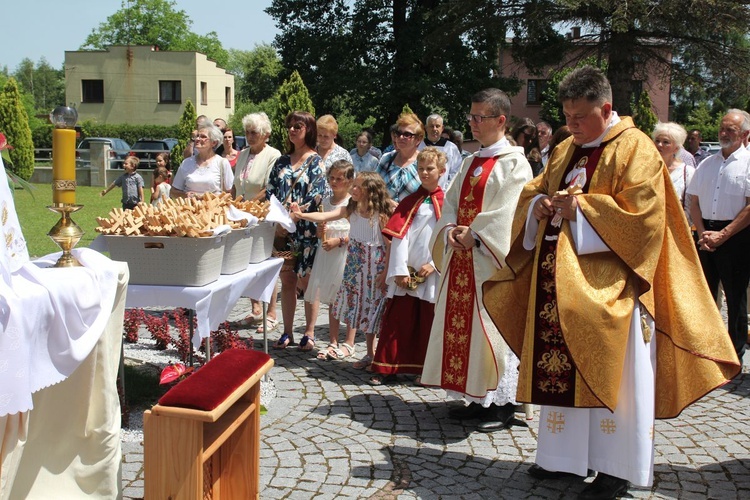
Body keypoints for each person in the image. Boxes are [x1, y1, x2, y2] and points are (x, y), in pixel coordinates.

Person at [483, 66, 740, 500]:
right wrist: (541, 205)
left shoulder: (636, 148)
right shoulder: (566, 149)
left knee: (618, 381)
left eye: (580, 117)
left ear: (606, 108)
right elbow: (534, 190)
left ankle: (614, 468)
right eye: (566, 116)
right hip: (559, 288)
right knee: (560, 369)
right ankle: (562, 460)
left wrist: (580, 211)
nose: (571, 125)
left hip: (615, 292)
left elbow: (645, 218)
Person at [420, 88, 533, 432]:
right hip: (462, 262)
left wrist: (478, 234)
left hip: (491, 265)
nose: (472, 123)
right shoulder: (469, 161)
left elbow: (510, 212)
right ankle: (476, 397)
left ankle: (502, 404)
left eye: (479, 117)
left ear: (501, 120)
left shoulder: (515, 164)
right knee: (465, 332)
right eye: (471, 116)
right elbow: (450, 202)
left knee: (492, 333)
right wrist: (451, 229)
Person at [292, 172, 393, 367]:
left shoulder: (381, 214)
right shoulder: (351, 210)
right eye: (353, 185)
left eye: (357, 186)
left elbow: (390, 246)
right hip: (356, 268)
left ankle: (380, 356)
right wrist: (301, 214)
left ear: (370, 190)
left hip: (376, 268)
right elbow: (324, 215)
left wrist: (386, 271)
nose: (352, 189)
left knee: (376, 310)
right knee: (363, 308)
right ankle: (370, 355)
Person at [369, 147, 446, 385]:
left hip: (431, 272)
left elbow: (447, 237)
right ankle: (386, 368)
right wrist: (400, 270)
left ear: (441, 171)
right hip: (407, 271)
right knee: (397, 320)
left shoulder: (448, 203)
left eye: (429, 168)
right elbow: (399, 236)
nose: (424, 173)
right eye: (421, 168)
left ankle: (426, 371)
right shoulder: (410, 201)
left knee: (428, 322)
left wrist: (434, 264)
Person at [687, 109, 750, 359]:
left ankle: (734, 350)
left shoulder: (747, 163)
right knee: (704, 293)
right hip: (705, 234)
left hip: (737, 234)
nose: (723, 133)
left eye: (730, 130)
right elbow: (694, 201)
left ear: (745, 134)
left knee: (735, 296)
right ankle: (706, 345)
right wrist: (703, 233)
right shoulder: (707, 163)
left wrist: (724, 234)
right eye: (722, 128)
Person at [266, 111, 327, 350]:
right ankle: (287, 331)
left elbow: (317, 194)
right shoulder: (281, 161)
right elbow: (270, 191)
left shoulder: (316, 161)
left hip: (307, 230)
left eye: (298, 126)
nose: (292, 130)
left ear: (308, 130)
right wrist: (278, 220)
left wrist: (295, 214)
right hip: (283, 230)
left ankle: (309, 333)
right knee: (287, 280)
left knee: (308, 280)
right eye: (290, 126)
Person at [304, 160, 354, 356]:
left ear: (349, 181)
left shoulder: (352, 203)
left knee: (348, 297)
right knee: (332, 298)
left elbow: (358, 233)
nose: (334, 182)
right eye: (331, 178)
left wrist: (339, 241)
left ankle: (349, 341)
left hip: (345, 253)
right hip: (327, 253)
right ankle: (333, 340)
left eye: (339, 179)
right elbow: (319, 232)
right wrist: (320, 231)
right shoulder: (325, 202)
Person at [171, 124, 234, 198]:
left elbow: (231, 193)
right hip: (190, 208)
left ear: (214, 143)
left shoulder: (222, 163)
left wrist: (211, 197)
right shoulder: (186, 163)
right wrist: (186, 195)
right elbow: (173, 191)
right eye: (197, 136)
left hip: (214, 207)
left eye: (203, 137)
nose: (197, 139)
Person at [377, 113, 424, 204]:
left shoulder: (424, 163)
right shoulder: (387, 159)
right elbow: (374, 189)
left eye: (407, 134)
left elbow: (429, 197)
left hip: (413, 216)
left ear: (418, 139)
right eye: (398, 133)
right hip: (385, 215)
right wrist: (388, 203)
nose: (401, 137)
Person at [653, 122, 694, 222]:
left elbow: (692, 209)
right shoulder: (646, 169)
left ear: (676, 148)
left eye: (665, 142)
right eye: (657, 140)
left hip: (676, 230)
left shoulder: (687, 172)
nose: (659, 145)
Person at [420, 113, 463, 188]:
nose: (434, 129)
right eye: (431, 126)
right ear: (426, 128)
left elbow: (456, 172)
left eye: (437, 126)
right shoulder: (418, 146)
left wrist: (446, 189)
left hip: (444, 193)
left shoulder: (451, 148)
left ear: (442, 128)